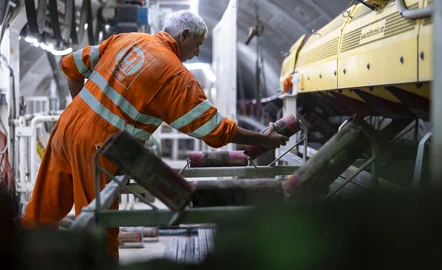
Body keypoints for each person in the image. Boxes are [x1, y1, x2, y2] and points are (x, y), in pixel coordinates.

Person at [21, 10, 288, 260]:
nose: (196, 52)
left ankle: (22, 258)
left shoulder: (126, 39)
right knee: (98, 228)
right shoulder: (174, 76)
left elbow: (71, 66)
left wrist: (81, 111)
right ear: (183, 35)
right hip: (100, 147)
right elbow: (215, 130)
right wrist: (264, 139)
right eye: (196, 44)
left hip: (65, 128)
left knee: (42, 210)